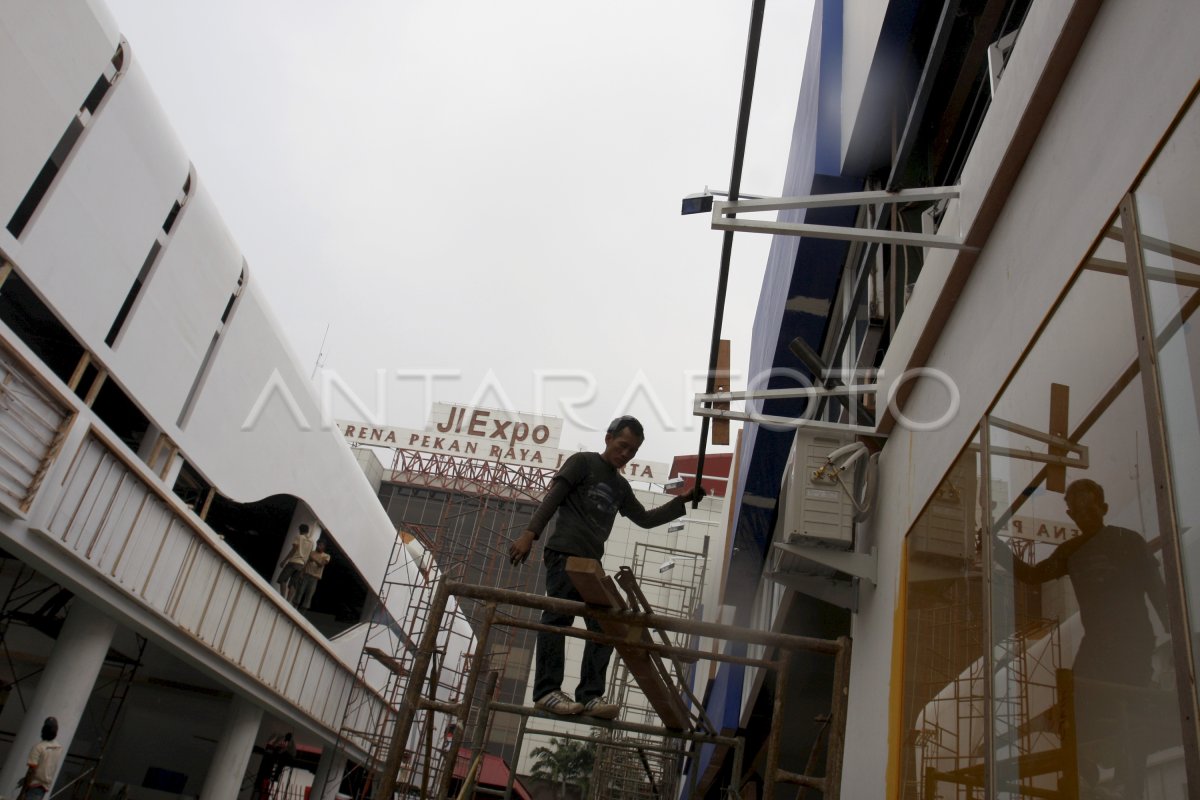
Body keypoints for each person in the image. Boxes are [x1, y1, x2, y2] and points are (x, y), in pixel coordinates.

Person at [507, 416, 705, 720]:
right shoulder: (582, 463)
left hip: (591, 565)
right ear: (608, 438)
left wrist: (681, 501)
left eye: (633, 451)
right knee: (557, 618)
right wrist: (528, 535)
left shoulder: (621, 486)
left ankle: (590, 696)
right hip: (563, 554)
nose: (626, 454)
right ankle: (546, 692)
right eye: (623, 445)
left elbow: (645, 519)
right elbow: (552, 499)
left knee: (605, 626)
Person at [1005, 479, 1168, 800]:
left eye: (1089, 508)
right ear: (1070, 514)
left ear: (1103, 508)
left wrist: (1180, 636)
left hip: (1133, 641)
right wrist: (994, 548)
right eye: (1077, 511)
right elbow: (1032, 575)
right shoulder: (1071, 551)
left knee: (1132, 710)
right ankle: (1085, 773)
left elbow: (1157, 591)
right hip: (1097, 644)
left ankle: (1126, 782)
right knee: (1073, 708)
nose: (1084, 515)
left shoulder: (1129, 541)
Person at [19, 716, 62, 800]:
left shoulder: (38, 747)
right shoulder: (59, 748)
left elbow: (32, 771)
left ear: (43, 730)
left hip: (33, 786)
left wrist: (22, 792)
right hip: (43, 787)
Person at [277, 524, 315, 603]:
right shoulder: (312, 542)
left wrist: (284, 560)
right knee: (293, 584)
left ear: (300, 530)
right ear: (307, 531)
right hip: (301, 565)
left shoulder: (299, 537)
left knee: (283, 579)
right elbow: (310, 555)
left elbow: (294, 549)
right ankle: (288, 601)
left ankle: (282, 598)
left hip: (293, 561)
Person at [293, 539, 331, 610]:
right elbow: (306, 563)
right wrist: (301, 573)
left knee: (309, 594)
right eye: (318, 544)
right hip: (306, 574)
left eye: (320, 545)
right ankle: (294, 607)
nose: (318, 546)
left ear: (324, 547)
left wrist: (314, 559)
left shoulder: (326, 556)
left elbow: (321, 565)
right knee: (300, 591)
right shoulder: (312, 553)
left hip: (314, 578)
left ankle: (303, 611)